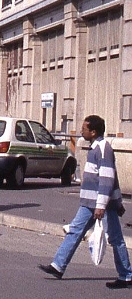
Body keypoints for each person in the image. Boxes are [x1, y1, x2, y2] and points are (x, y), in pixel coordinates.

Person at [39, 115, 132, 289]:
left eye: (84, 129)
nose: (81, 131)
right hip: (89, 203)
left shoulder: (104, 149)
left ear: (94, 132)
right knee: (74, 231)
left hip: (100, 204)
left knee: (115, 238)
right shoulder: (94, 148)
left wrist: (103, 205)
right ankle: (58, 265)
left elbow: (107, 179)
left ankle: (126, 274)